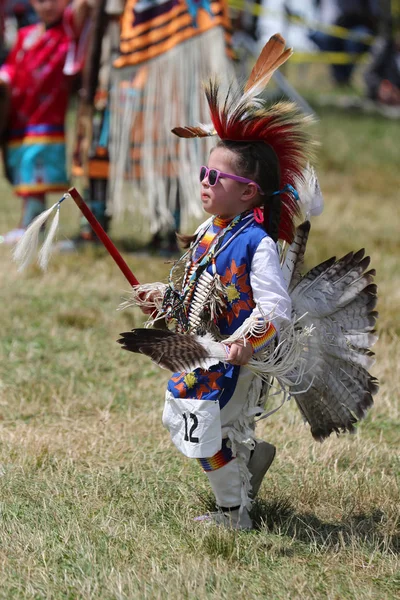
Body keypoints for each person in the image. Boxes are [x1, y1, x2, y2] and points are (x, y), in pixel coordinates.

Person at [123, 35, 315, 530]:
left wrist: (243, 342)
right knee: (192, 423)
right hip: (203, 348)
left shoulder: (259, 245)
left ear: (249, 192)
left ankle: (234, 515)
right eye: (204, 170)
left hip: (229, 357)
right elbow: (200, 287)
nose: (205, 181)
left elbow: (274, 308)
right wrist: (165, 296)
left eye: (216, 176)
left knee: (202, 429)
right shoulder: (213, 231)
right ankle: (244, 471)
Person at [0, 0, 91, 245]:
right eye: (41, 1)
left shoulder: (67, 32)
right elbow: (10, 68)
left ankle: (31, 226)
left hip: (47, 116)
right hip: (21, 115)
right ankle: (29, 226)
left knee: (35, 171)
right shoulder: (25, 35)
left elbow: (82, 9)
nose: (48, 5)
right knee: (24, 171)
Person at [309, 0, 380, 86]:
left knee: (354, 42)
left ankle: (343, 79)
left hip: (360, 28)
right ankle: (341, 79)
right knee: (321, 38)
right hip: (335, 28)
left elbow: (374, 14)